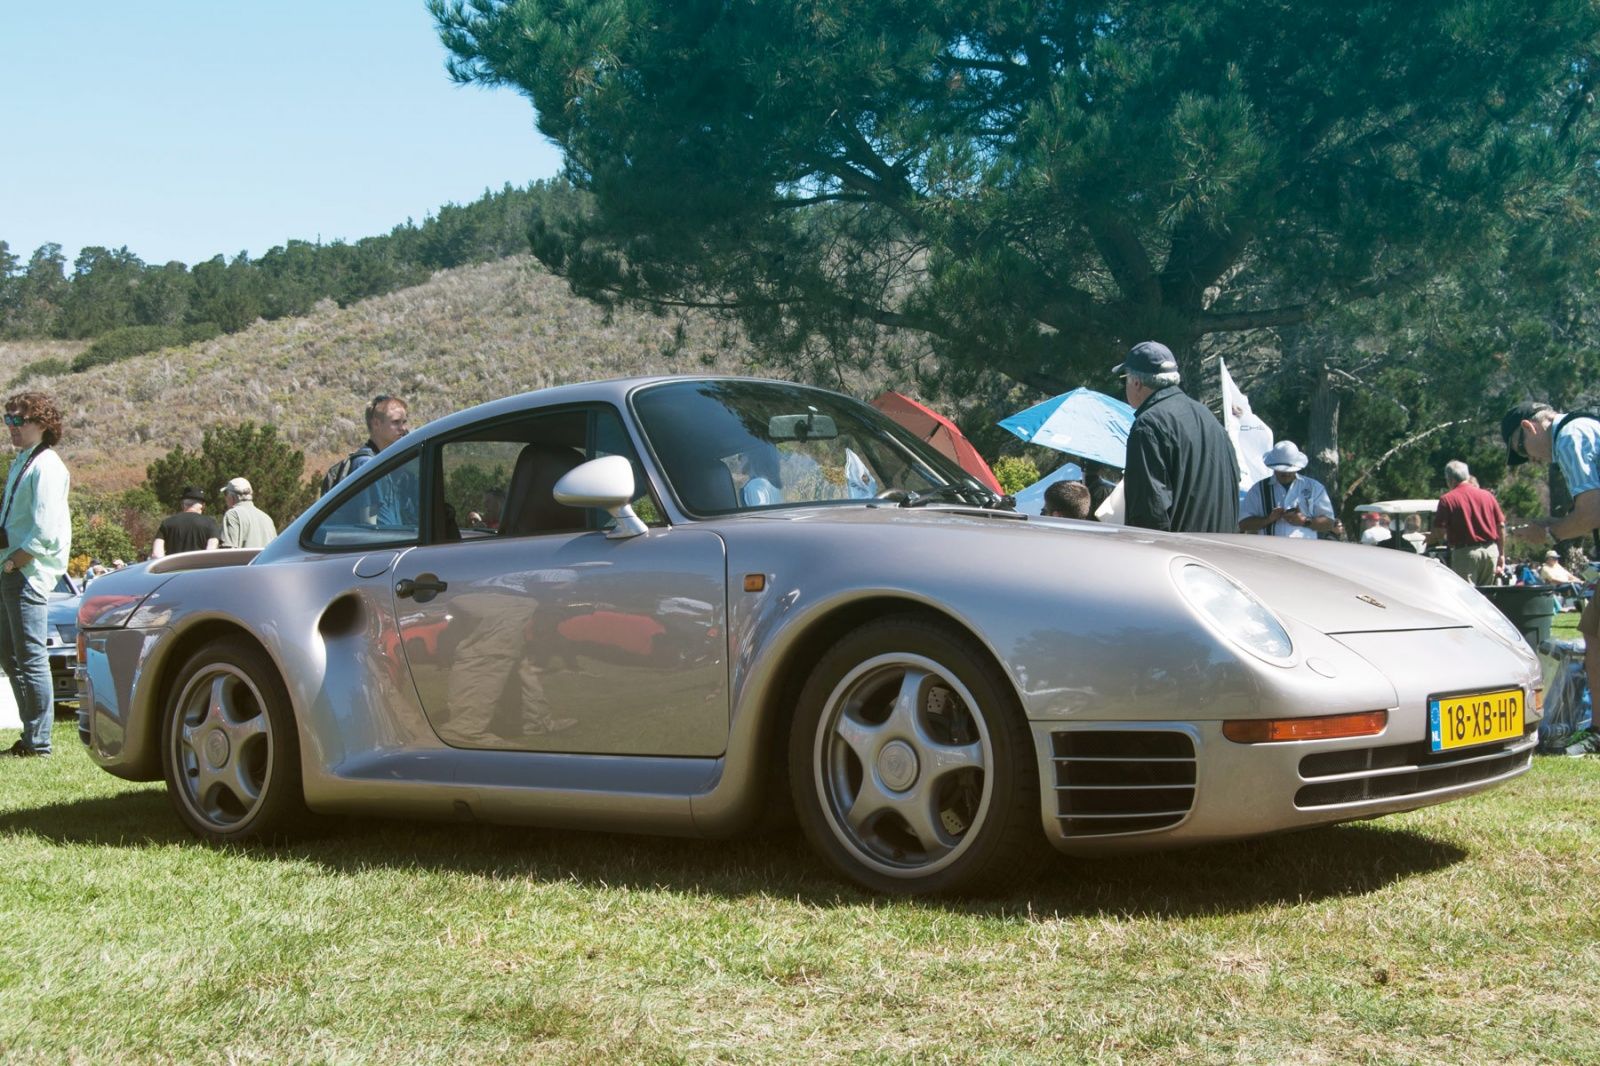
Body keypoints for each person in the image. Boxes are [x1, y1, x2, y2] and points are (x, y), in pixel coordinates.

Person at [1502, 400, 1600, 751]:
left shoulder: (1571, 437)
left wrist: (1547, 533)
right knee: (1593, 630)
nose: (1531, 459)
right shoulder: (1583, 427)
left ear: (1528, 428)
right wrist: (1551, 526)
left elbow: (1591, 513)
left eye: (1522, 450)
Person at [0, 391, 70, 757]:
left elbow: (45, 530)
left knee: (30, 656)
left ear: (42, 424)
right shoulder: (24, 460)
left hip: (26, 570)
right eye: (8, 419)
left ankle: (39, 743)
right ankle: (31, 736)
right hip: (11, 566)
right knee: (9, 654)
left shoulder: (47, 465)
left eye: (18, 420)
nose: (11, 426)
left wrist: (16, 561)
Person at [1115, 341, 1239, 533]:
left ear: (1137, 383)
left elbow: (1148, 511)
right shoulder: (1209, 418)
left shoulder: (1148, 425)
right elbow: (1233, 485)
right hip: (1222, 545)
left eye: (1124, 379)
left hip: (1177, 549)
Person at [1426, 460, 1504, 585]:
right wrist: (1501, 554)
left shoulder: (1448, 499)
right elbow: (1500, 526)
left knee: (1465, 594)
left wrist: (1430, 538)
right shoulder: (1488, 496)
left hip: (1466, 554)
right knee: (1486, 594)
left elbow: (1440, 532)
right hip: (1491, 552)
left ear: (1450, 479)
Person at [1237, 440, 1336, 538]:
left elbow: (1329, 523)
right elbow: (1243, 523)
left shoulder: (1314, 487)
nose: (1286, 473)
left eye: (1290, 470)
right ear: (1273, 467)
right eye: (1281, 470)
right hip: (1269, 547)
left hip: (1304, 547)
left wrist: (1304, 521)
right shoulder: (1258, 489)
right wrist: (1268, 519)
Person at [322, 394, 410, 493]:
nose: (403, 428)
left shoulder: (385, 461)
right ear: (376, 424)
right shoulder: (366, 464)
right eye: (396, 422)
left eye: (404, 422)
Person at [151, 484, 220, 558]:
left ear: (182, 504)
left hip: (174, 565)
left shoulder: (167, 523)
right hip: (200, 565)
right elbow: (211, 550)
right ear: (203, 506)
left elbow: (156, 554)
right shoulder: (210, 523)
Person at [218, 477, 277, 549]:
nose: (225, 498)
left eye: (226, 494)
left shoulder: (232, 515)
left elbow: (228, 551)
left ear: (232, 497)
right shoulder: (267, 518)